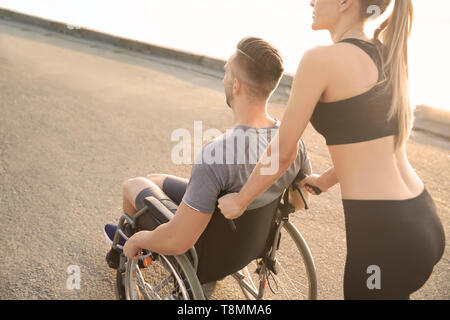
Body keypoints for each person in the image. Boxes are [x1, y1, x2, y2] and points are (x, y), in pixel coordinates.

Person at [217, 0, 445, 300]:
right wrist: (324, 180)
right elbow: (373, 140)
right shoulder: (384, 52)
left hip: (384, 237)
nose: (311, 2)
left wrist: (241, 200)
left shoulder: (320, 60)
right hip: (422, 219)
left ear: (345, 3)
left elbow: (283, 153)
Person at [103, 37, 312, 272]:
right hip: (246, 247)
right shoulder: (291, 142)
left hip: (203, 255)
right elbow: (298, 202)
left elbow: (179, 240)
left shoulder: (216, 154)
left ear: (236, 85)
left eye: (226, 72)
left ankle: (126, 246)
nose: (223, 78)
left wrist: (139, 239)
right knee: (155, 180)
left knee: (133, 185)